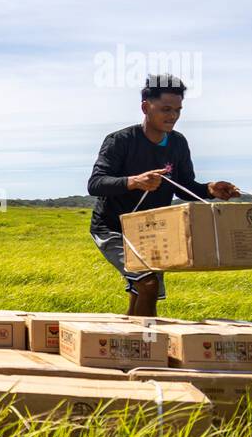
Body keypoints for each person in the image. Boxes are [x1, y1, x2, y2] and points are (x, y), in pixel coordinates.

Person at [88, 74, 240, 317]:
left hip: (151, 231)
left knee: (141, 291)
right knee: (147, 283)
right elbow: (95, 183)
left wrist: (209, 189)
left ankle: (132, 344)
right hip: (113, 228)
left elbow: (183, 187)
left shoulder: (178, 144)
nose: (173, 116)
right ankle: (149, 347)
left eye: (178, 110)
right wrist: (135, 182)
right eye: (166, 109)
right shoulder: (120, 141)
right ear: (146, 107)